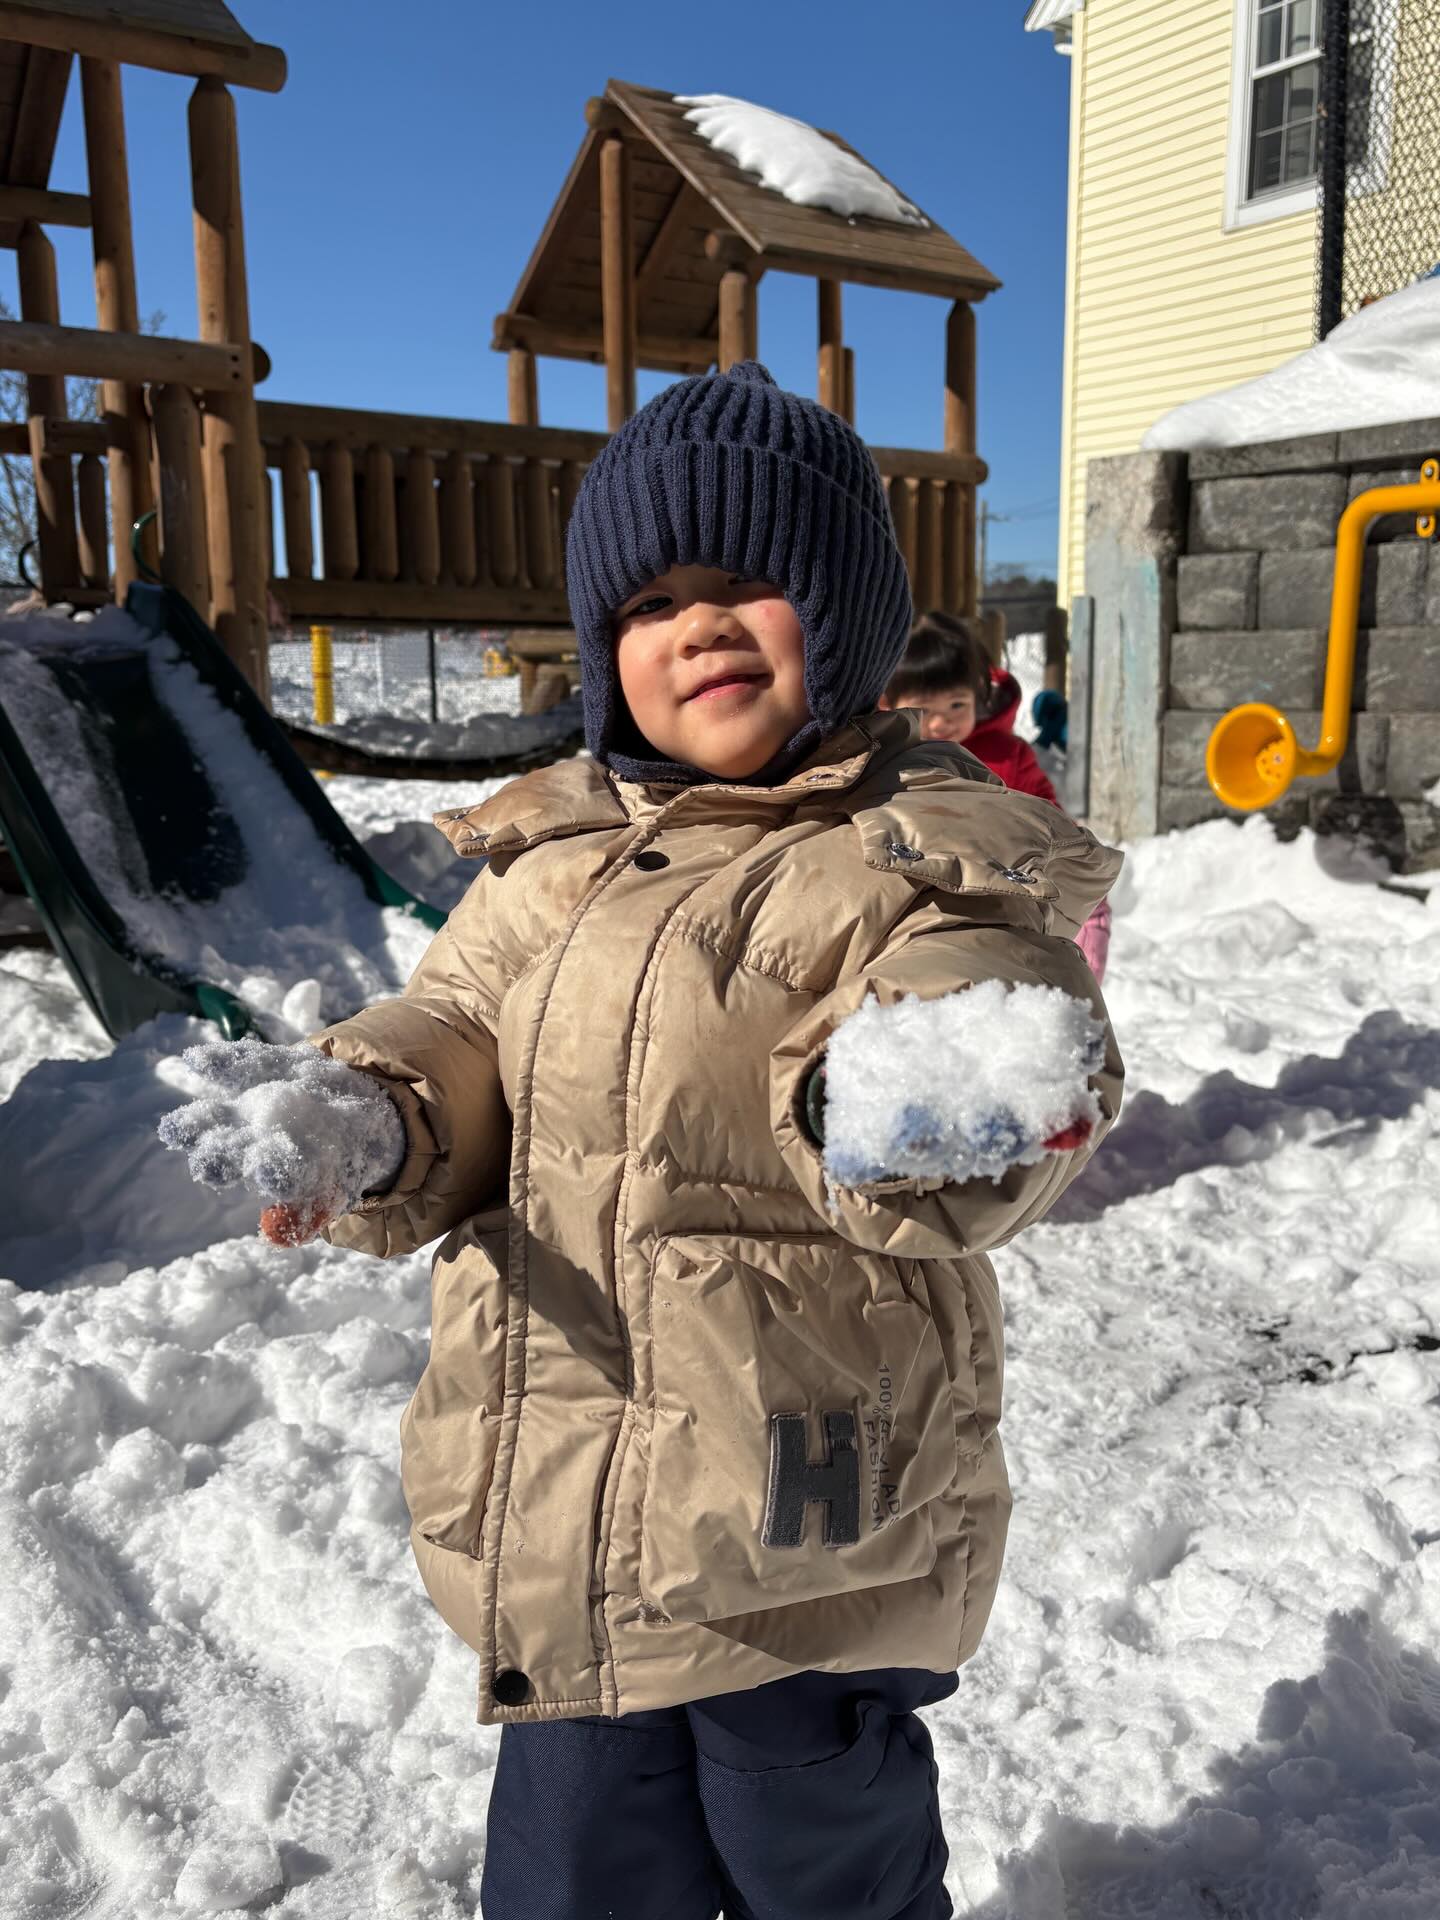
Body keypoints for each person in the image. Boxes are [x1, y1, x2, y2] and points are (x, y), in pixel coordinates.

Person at [159, 363, 1123, 1920]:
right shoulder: (550, 864)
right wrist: (375, 1115)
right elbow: (459, 1033)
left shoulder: (915, 847)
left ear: (846, 616)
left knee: (814, 1843)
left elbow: (991, 990)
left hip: (808, 1491)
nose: (702, 624)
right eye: (654, 599)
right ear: (607, 650)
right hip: (573, 1467)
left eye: (750, 580)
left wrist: (923, 1095)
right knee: (577, 1853)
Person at [880, 611, 1112, 983]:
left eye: (957, 705)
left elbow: (1044, 811)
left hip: (1006, 887)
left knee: (1088, 908)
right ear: (890, 703)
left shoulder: (1006, 754)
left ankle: (1070, 987)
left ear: (979, 696)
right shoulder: (889, 758)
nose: (942, 723)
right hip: (926, 897)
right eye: (925, 711)